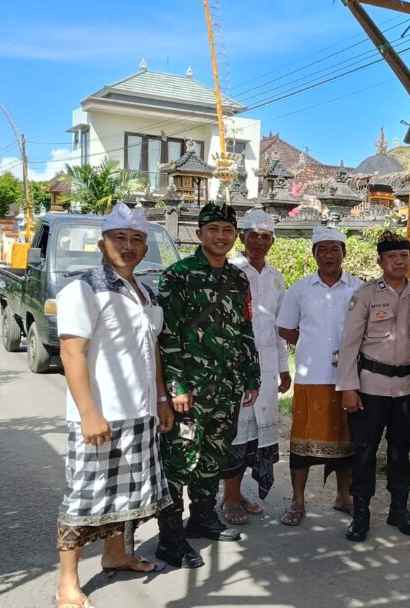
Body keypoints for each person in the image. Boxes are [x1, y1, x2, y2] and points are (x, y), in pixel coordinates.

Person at [55, 204, 173, 608]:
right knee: (84, 496)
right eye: (119, 238)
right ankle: (68, 584)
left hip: (140, 412)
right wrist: (89, 412)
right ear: (102, 243)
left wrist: (161, 399)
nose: (128, 246)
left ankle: (116, 554)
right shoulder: (84, 289)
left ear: (145, 247)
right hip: (100, 415)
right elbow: (71, 353)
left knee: (128, 494)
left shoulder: (145, 292)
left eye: (137, 239)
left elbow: (153, 351)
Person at [156, 202, 260, 569]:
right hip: (190, 390)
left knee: (213, 456)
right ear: (199, 233)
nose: (221, 236)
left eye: (228, 230)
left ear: (235, 236)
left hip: (226, 387)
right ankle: (170, 539)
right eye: (213, 229)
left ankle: (202, 518)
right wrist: (176, 386)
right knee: (179, 460)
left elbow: (244, 328)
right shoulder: (178, 276)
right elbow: (166, 336)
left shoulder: (238, 279)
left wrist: (251, 375)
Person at [336, 230, 410, 542]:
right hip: (370, 388)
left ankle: (398, 509)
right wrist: (348, 388)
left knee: (400, 451)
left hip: (406, 389)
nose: (399, 261)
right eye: (392, 257)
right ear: (380, 261)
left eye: (404, 256)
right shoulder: (365, 295)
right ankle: (361, 513)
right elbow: (349, 344)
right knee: (364, 451)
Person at [277, 225, 363, 526]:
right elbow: (285, 326)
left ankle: (343, 497)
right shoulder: (300, 289)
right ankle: (297, 501)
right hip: (310, 377)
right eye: (322, 250)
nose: (329, 255)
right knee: (302, 444)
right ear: (314, 254)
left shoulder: (359, 288)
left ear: (344, 253)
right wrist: (308, 342)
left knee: (346, 442)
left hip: (348, 379)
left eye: (334, 249)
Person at [220, 210, 291, 525]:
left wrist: (283, 367)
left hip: (267, 367)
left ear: (272, 241)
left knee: (256, 438)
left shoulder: (276, 278)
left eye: (266, 237)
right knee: (237, 432)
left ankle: (236, 493)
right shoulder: (230, 271)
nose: (259, 242)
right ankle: (230, 496)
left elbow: (278, 327)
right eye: (253, 236)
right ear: (242, 238)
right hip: (236, 367)